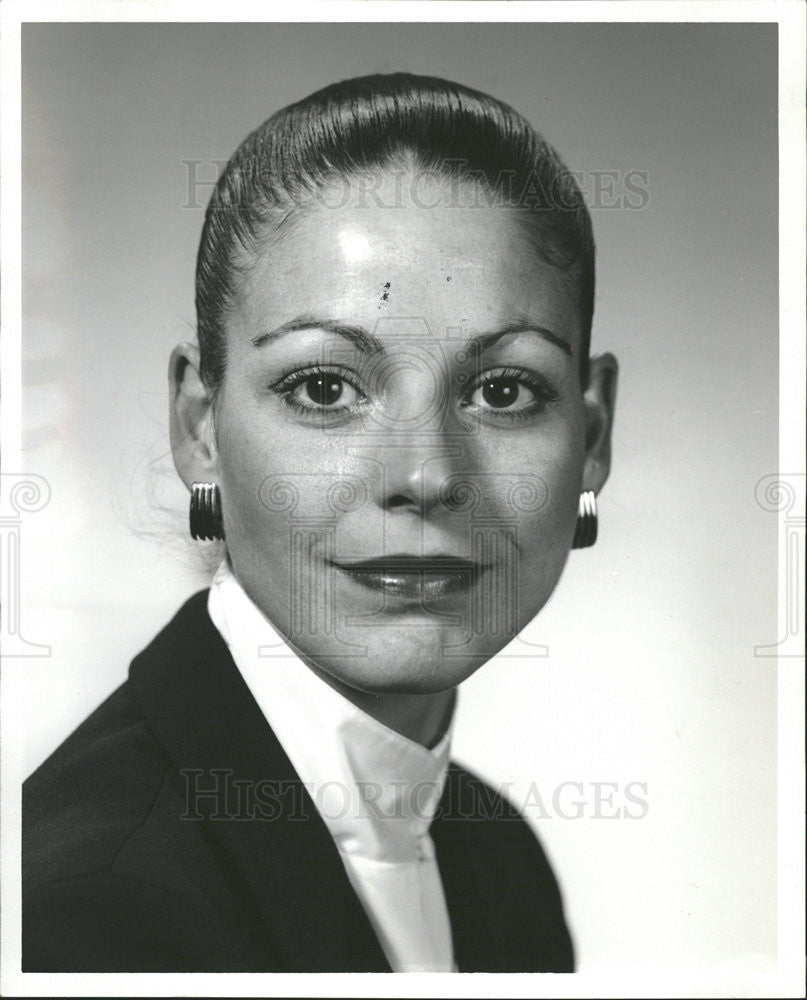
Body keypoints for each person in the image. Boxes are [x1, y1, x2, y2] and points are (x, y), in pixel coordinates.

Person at [23, 72, 617, 973]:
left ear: (593, 435)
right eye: (324, 388)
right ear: (199, 427)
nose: (425, 475)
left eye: (502, 391)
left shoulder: (495, 858)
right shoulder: (91, 910)